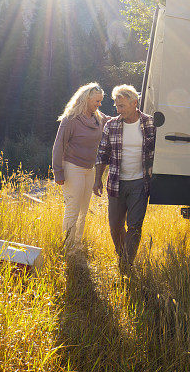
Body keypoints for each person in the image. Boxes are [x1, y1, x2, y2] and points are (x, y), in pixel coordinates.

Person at [95, 84, 156, 273]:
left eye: (122, 106)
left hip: (140, 183)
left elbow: (158, 152)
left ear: (134, 103)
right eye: (117, 106)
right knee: (115, 226)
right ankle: (122, 255)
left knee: (135, 226)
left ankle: (125, 266)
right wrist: (97, 179)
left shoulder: (149, 123)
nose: (118, 110)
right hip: (116, 183)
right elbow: (102, 153)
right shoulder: (111, 125)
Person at [51, 82, 106, 248]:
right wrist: (58, 172)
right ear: (86, 100)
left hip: (89, 169)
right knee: (73, 209)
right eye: (96, 101)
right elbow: (58, 146)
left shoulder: (98, 118)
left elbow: (115, 120)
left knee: (84, 209)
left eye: (100, 101)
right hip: (72, 167)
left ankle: (77, 244)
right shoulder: (71, 120)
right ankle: (68, 248)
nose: (99, 104)